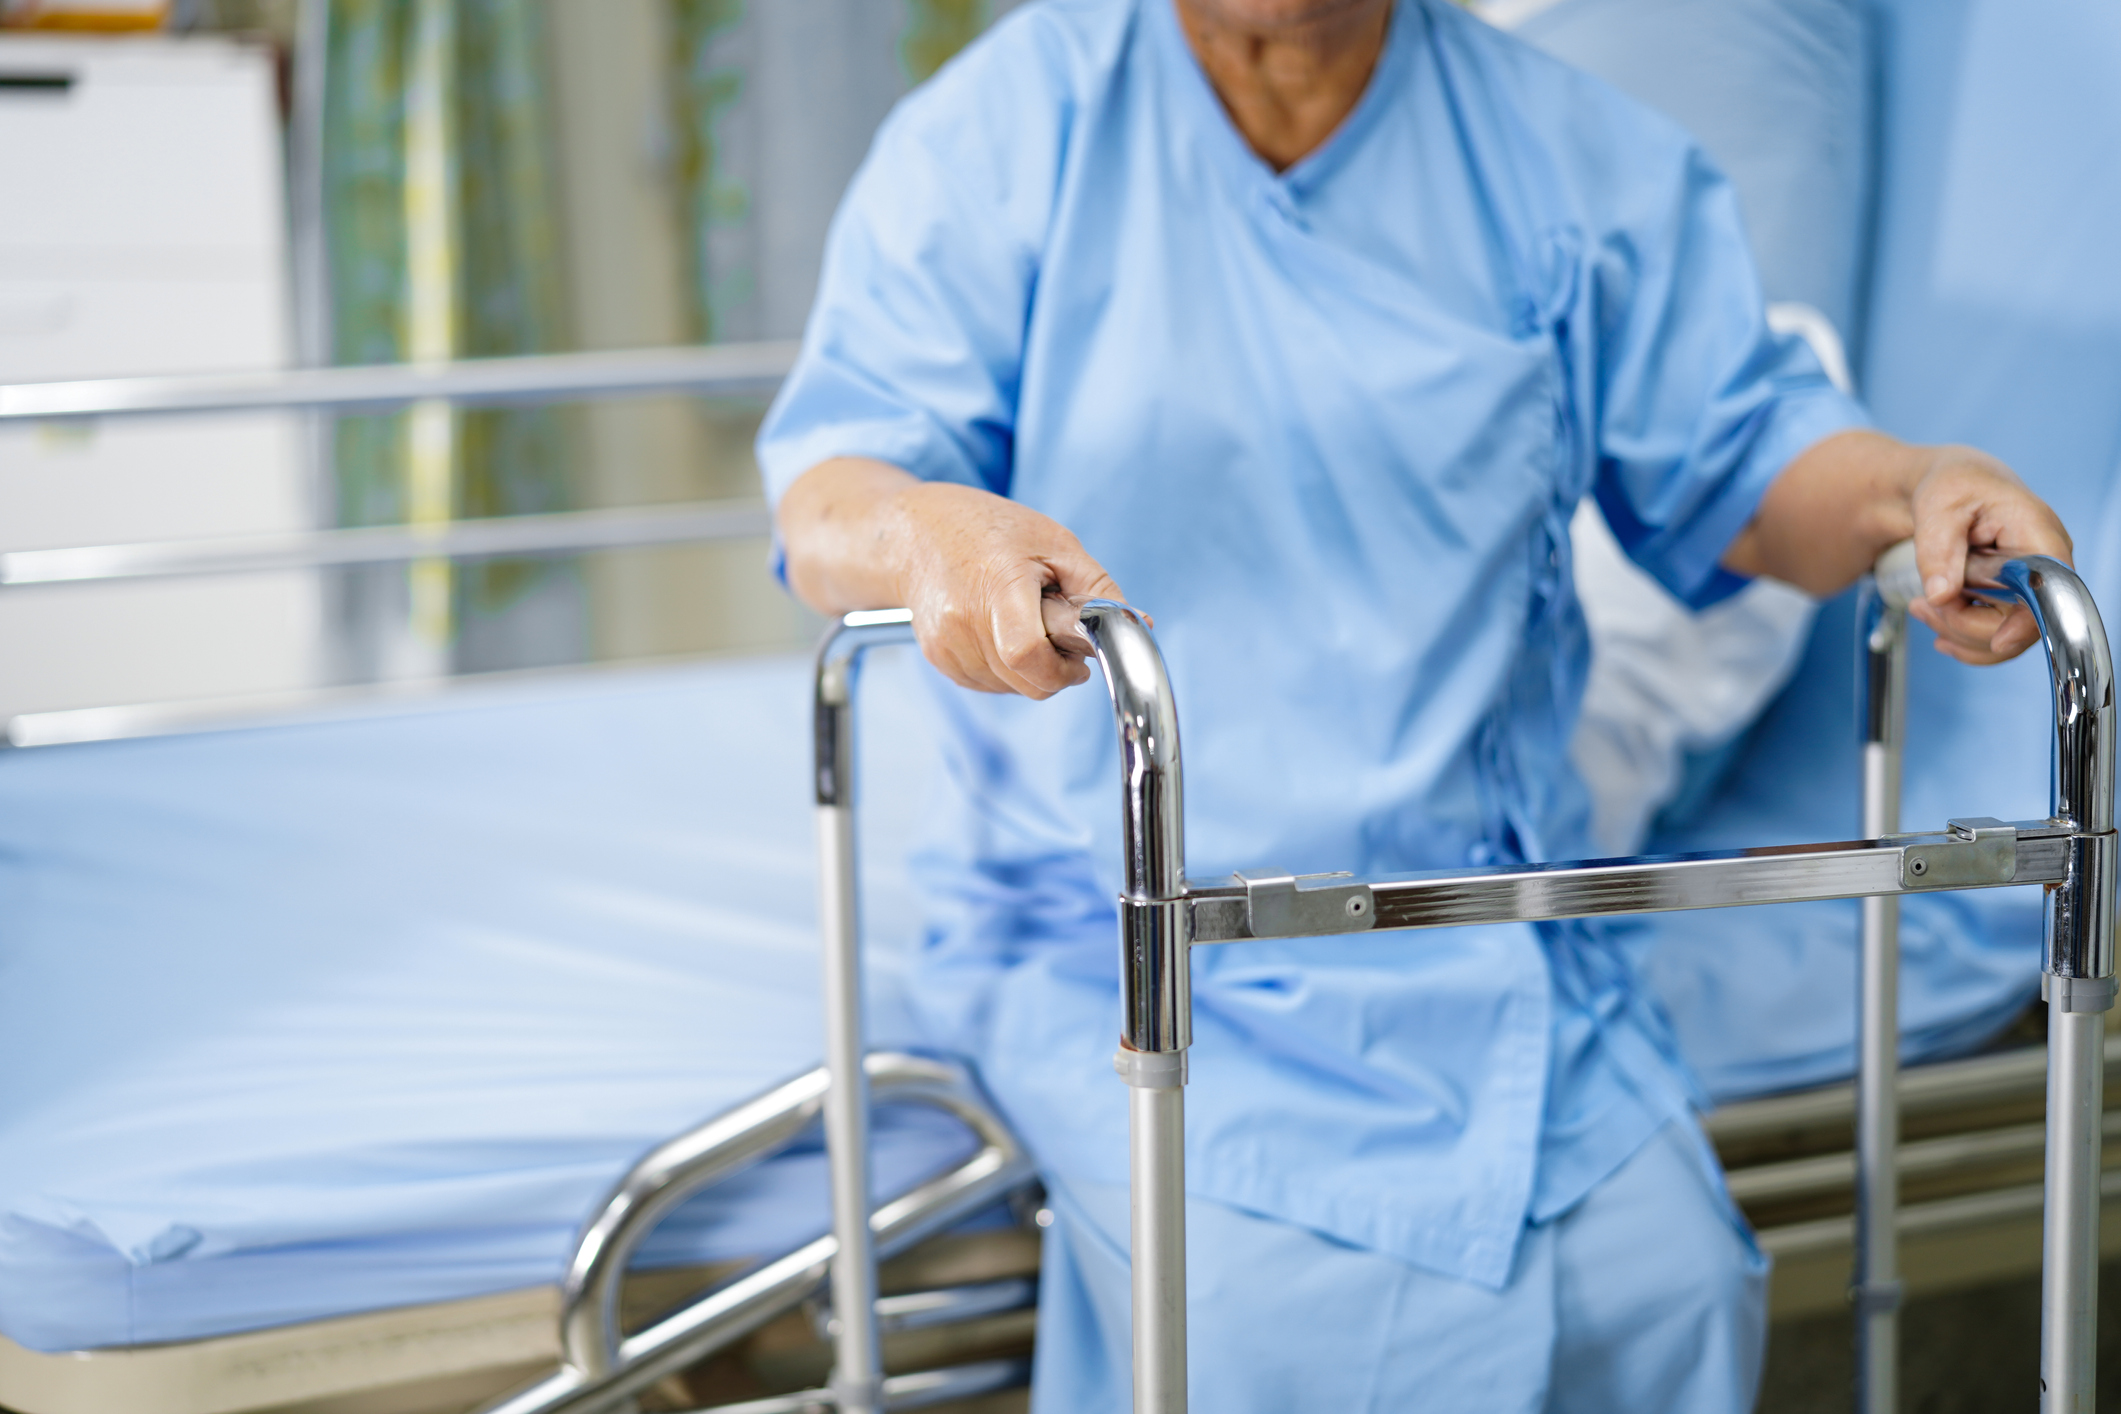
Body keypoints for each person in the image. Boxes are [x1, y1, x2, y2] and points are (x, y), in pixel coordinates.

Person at [756, 0, 2072, 1408]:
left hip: (1471, 933)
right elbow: (833, 489)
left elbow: (1749, 459)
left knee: (1666, 1284)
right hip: (1134, 937)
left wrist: (1914, 488)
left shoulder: (1561, 155)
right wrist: (925, 535)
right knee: (1257, 1335)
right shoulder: (1005, 137)